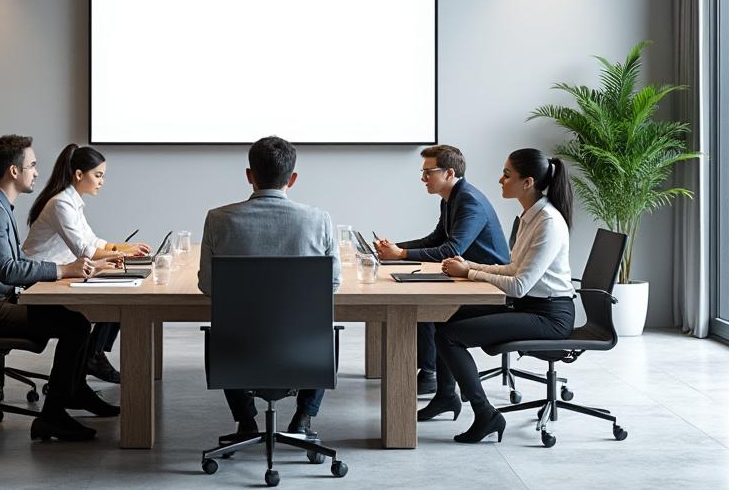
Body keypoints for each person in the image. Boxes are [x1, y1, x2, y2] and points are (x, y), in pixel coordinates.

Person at [0, 135, 121, 442]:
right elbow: (9, 270)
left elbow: (16, 260)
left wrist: (64, 271)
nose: (37, 173)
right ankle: (52, 416)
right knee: (75, 326)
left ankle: (75, 392)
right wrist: (64, 269)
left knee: (75, 321)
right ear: (14, 171)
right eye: (32, 165)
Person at [198, 136, 342, 440]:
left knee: (222, 330)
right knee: (323, 330)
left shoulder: (218, 219)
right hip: (305, 350)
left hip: (237, 349)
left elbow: (209, 286)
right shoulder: (319, 219)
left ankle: (246, 421)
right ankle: (303, 418)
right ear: (292, 178)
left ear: (250, 176)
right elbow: (332, 284)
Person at [430, 148, 576, 444]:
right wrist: (470, 265)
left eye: (507, 175)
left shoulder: (548, 222)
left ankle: (486, 415)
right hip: (530, 306)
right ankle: (446, 396)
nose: (500, 179)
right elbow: (513, 266)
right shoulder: (529, 216)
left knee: (450, 336)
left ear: (528, 182)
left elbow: (519, 284)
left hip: (549, 316)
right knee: (442, 317)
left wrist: (470, 273)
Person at [373, 145, 510, 406]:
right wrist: (395, 250)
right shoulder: (451, 198)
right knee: (416, 299)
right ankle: (441, 389)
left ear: (449, 172)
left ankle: (432, 377)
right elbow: (436, 239)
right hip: (462, 277)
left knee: (422, 309)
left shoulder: (469, 201)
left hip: (487, 285)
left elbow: (450, 249)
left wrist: (400, 254)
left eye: (428, 172)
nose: (423, 178)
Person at [23, 144, 151, 384]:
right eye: (98, 175)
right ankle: (91, 358)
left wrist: (124, 249)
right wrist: (118, 256)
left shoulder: (73, 201)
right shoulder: (61, 204)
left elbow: (92, 241)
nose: (102, 181)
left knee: (119, 291)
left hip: (59, 273)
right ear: (79, 175)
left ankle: (93, 356)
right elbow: (85, 250)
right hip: (38, 280)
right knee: (116, 297)